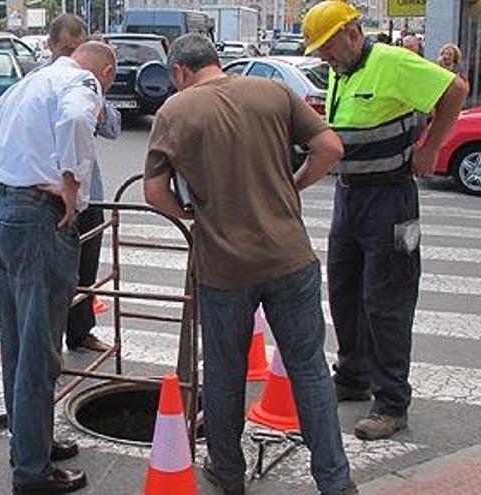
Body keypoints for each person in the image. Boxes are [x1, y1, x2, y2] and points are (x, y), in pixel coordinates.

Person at [143, 33, 354, 495]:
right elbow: (331, 149)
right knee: (310, 369)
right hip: (290, 257)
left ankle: (228, 473)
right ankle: (336, 482)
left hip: (224, 268)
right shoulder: (273, 92)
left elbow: (154, 193)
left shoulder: (176, 112)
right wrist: (292, 186)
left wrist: (193, 216)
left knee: (224, 372)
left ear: (179, 72)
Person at [0, 41, 117, 494]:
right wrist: (70, 182)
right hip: (40, 220)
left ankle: (29, 445)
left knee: (17, 340)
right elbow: (77, 118)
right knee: (39, 349)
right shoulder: (80, 82)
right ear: (105, 72)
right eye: (107, 84)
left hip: (6, 213)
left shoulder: (30, 82)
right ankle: (32, 471)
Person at [303, 1, 468, 440]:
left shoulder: (392, 62)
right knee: (344, 291)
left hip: (391, 198)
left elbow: (455, 90)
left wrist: (431, 147)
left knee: (386, 301)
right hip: (350, 196)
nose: (323, 57)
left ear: (352, 34)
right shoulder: (343, 71)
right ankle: (353, 376)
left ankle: (392, 402)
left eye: (327, 47)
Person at [45, 14, 121, 353]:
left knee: (86, 269)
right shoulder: (42, 80)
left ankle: (79, 333)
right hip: (51, 193)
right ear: (50, 47)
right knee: (53, 275)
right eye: (64, 49)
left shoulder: (89, 85)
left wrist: (98, 100)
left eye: (77, 49)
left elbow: (114, 129)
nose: (71, 57)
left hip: (90, 192)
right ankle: (48, 344)